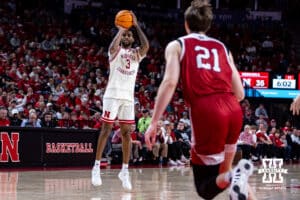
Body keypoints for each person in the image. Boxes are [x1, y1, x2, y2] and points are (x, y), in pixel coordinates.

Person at [144, 1, 256, 199]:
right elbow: (240, 93)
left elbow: (170, 82)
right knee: (227, 176)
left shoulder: (177, 45)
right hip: (233, 109)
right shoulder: (222, 46)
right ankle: (238, 180)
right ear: (208, 26)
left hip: (207, 110)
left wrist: (154, 122)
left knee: (205, 188)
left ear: (186, 24)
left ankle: (236, 176)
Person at [91, 11, 149, 191]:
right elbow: (113, 45)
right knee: (106, 129)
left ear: (133, 39)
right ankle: (96, 166)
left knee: (127, 134)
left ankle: (125, 170)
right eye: (125, 34)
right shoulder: (115, 51)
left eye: (129, 35)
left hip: (128, 98)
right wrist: (121, 29)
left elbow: (146, 45)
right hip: (112, 95)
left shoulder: (136, 54)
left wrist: (136, 26)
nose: (127, 36)